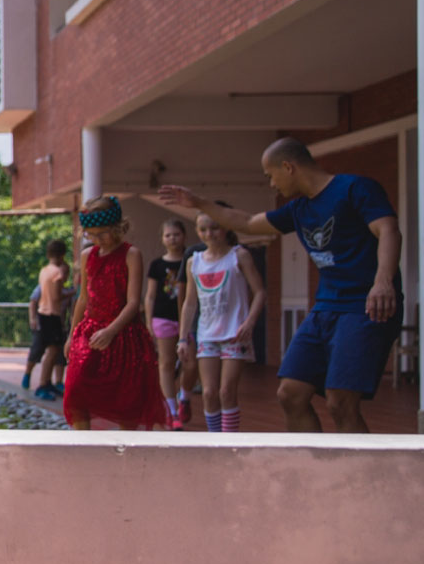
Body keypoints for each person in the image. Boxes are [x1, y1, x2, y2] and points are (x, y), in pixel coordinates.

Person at [161, 137, 402, 433]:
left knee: (340, 401)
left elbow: (388, 229)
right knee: (290, 394)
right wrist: (199, 203)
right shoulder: (298, 210)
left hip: (365, 306)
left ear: (288, 167)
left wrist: (383, 281)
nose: (271, 184)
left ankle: (359, 478)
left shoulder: (355, 189)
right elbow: (247, 223)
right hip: (326, 308)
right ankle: (314, 470)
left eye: (270, 175)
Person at [62, 196, 166, 430]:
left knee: (126, 399)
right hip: (89, 331)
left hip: (123, 335)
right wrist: (71, 335)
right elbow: (83, 299)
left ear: (117, 228)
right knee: (77, 390)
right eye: (91, 235)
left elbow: (132, 303)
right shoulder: (88, 256)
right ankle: (83, 447)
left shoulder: (131, 255)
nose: (97, 239)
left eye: (103, 234)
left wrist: (111, 331)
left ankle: (125, 449)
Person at [178, 213, 265, 432]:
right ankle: (214, 440)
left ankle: (228, 441)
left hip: (235, 333)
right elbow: (190, 303)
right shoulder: (193, 262)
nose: (209, 234)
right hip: (206, 334)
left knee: (227, 391)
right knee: (208, 393)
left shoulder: (239, 256)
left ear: (226, 228)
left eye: (215, 227)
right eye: (203, 229)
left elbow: (261, 292)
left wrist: (250, 322)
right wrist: (183, 338)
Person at [144, 219, 190, 429]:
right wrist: (148, 323)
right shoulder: (157, 265)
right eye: (168, 235)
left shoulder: (191, 260)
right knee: (166, 362)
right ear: (162, 239)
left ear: (184, 236)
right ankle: (171, 411)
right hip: (163, 318)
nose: (172, 238)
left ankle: (185, 397)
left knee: (191, 363)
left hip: (188, 318)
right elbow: (150, 295)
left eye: (176, 234)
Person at [24, 239, 70, 401]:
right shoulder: (57, 272)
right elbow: (57, 296)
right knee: (52, 351)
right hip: (52, 315)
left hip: (44, 314)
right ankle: (43, 384)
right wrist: (73, 292)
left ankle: (48, 382)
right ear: (62, 255)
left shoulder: (44, 271)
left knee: (52, 351)